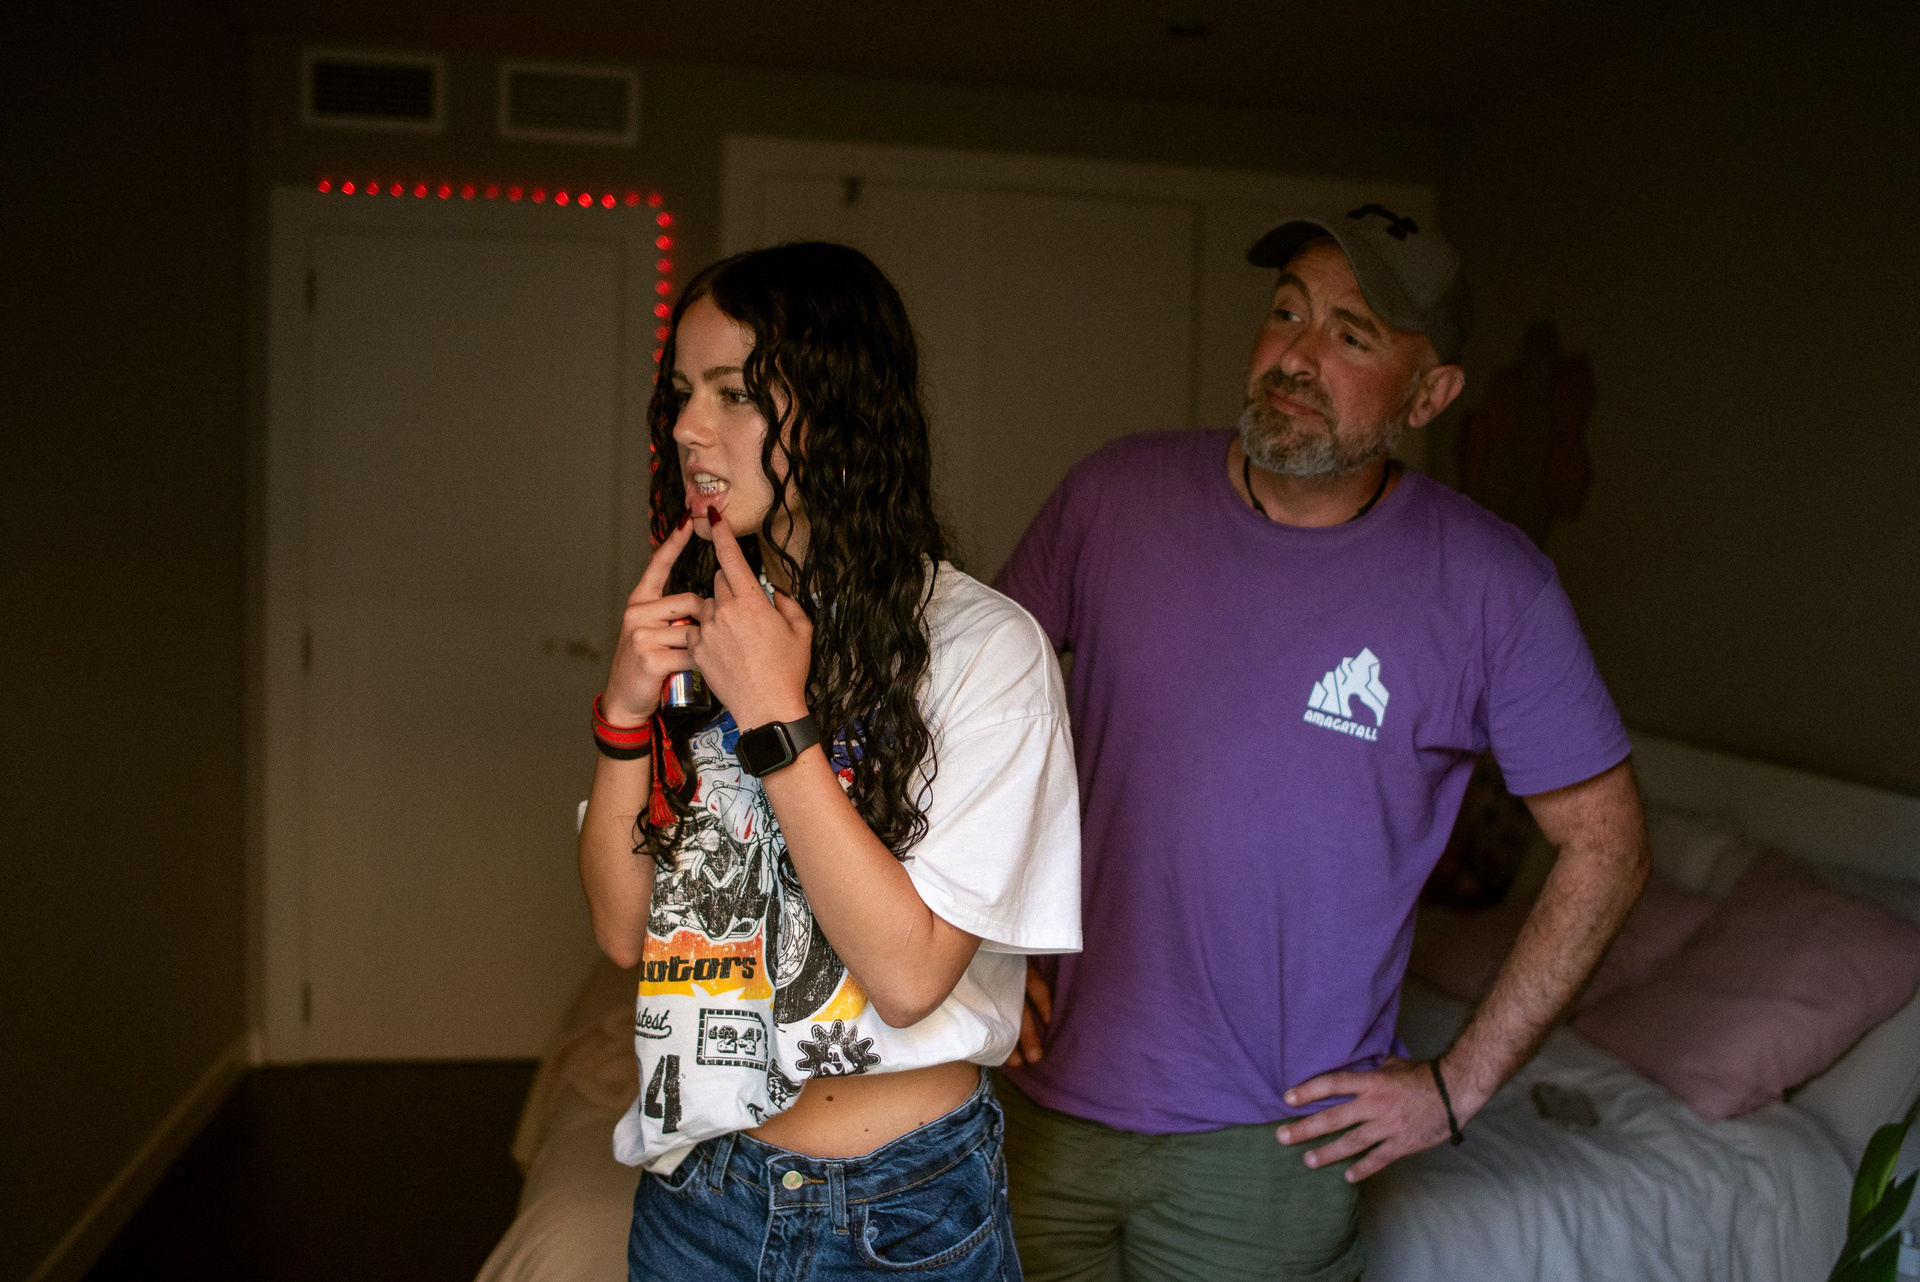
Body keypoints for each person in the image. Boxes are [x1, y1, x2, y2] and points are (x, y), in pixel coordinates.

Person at [992, 205, 1650, 1282]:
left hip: (1274, 1152)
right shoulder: (1111, 496)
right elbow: (966, 716)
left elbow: (1609, 847)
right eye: (1287, 313)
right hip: (1035, 1099)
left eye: (1352, 335)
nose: (1297, 356)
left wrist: (1457, 1086)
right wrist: (981, 947)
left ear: (1428, 394)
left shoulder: (1495, 588)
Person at [577, 241, 1082, 1281]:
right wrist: (624, 714)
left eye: (734, 392)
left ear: (840, 412)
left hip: (904, 1210)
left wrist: (775, 716)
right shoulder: (696, 631)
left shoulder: (985, 650)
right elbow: (623, 932)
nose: (687, 427)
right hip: (697, 1200)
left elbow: (907, 977)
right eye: (682, 393)